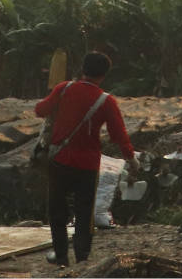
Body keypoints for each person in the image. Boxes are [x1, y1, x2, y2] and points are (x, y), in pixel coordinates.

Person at [34, 51, 136, 267]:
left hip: (60, 161)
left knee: (57, 209)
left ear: (82, 69)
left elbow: (40, 111)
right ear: (104, 75)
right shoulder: (106, 101)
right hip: (88, 165)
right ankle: (82, 258)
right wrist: (131, 158)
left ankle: (61, 256)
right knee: (85, 212)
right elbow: (119, 136)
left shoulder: (64, 88)